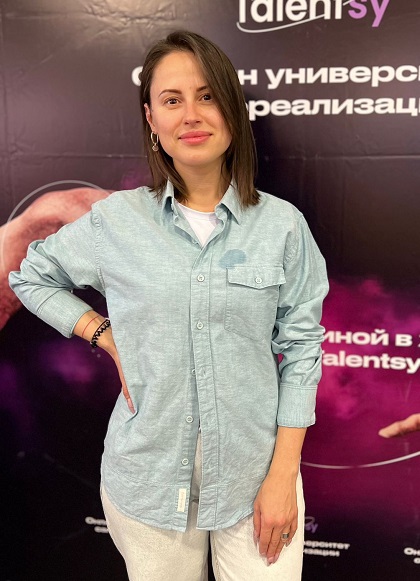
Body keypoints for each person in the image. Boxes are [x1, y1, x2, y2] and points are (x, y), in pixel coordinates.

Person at [9, 31, 328, 581]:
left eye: (207, 96)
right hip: (148, 481)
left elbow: (301, 351)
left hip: (256, 476)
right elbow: (30, 276)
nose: (191, 115)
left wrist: (283, 477)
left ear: (232, 109)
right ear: (151, 119)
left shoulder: (282, 226)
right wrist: (103, 334)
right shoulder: (116, 222)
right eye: (172, 100)